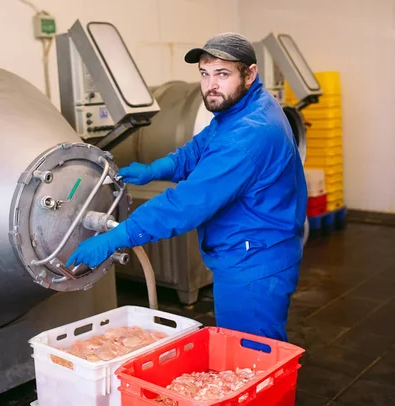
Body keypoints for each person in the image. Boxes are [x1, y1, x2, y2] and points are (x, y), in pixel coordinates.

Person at [66, 32, 307, 342]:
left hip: (254, 264)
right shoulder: (243, 108)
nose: (211, 85)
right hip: (252, 249)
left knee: (252, 360)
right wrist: (156, 169)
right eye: (204, 74)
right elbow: (198, 149)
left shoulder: (250, 134)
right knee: (246, 355)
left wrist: (118, 236)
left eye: (222, 74)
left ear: (250, 74)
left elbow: (187, 204)